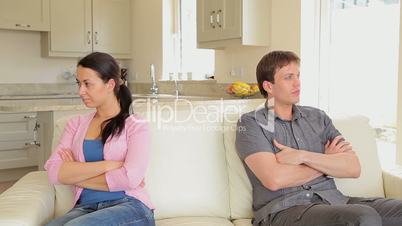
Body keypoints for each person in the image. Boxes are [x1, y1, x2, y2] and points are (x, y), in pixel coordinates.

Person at [235, 50, 402, 226]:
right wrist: (328, 162)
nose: (297, 83)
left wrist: (304, 156)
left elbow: (353, 168)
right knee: (363, 216)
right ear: (269, 86)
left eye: (298, 76)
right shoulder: (251, 123)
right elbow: (274, 180)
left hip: (334, 202)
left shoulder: (317, 117)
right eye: (288, 77)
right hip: (285, 210)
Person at [45, 52, 155, 226]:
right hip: (85, 208)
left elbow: (130, 179)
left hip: (130, 207)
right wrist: (110, 165)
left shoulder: (135, 125)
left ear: (110, 84)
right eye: (79, 84)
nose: (80, 91)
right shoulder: (75, 124)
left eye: (87, 84)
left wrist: (74, 174)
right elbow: (53, 172)